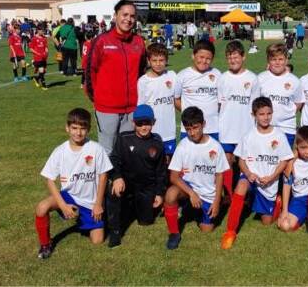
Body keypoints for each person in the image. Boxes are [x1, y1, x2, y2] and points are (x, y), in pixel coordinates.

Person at [34, 108, 112, 259]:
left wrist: (98, 204)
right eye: (74, 128)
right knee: (41, 207)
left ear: (88, 129)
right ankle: (45, 244)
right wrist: (63, 205)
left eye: (83, 128)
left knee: (97, 241)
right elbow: (49, 180)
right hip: (69, 197)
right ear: (67, 128)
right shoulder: (60, 151)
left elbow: (103, 176)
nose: (78, 133)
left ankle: (88, 220)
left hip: (90, 203)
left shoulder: (96, 149)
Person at [221, 97, 293, 249]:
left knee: (267, 222)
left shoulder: (279, 135)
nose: (265, 117)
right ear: (254, 115)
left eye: (268, 113)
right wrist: (248, 173)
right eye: (261, 114)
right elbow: (240, 160)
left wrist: (272, 177)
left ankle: (274, 203)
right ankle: (230, 231)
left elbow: (284, 161)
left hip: (269, 183)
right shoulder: (248, 136)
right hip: (251, 178)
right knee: (240, 187)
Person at [163, 106, 229, 250]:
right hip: (189, 189)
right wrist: (192, 193)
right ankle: (174, 233)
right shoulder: (183, 145)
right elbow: (173, 177)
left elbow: (219, 176)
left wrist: (217, 201)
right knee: (170, 195)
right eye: (188, 129)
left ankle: (199, 208)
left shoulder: (216, 147)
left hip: (208, 193)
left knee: (207, 229)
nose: (192, 133)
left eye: (195, 128)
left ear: (203, 124)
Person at [86, 0, 147, 156]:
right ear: (115, 16)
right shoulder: (101, 41)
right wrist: (98, 98)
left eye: (132, 16)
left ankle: (123, 181)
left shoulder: (139, 42)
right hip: (107, 108)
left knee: (128, 150)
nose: (129, 19)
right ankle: (105, 180)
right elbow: (89, 72)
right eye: (124, 14)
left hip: (132, 108)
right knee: (107, 151)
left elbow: (142, 73)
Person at [107, 105, 168, 248]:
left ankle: (136, 207)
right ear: (133, 123)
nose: (143, 127)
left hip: (146, 186)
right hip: (126, 183)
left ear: (154, 122)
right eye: (139, 123)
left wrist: (160, 194)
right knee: (112, 190)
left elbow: (161, 171)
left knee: (146, 221)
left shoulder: (157, 142)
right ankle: (115, 232)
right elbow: (114, 159)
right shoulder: (124, 138)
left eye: (147, 123)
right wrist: (117, 177)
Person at [216, 40, 258, 196]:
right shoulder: (222, 78)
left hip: (246, 129)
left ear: (243, 57)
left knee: (245, 162)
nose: (233, 60)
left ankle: (245, 194)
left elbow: (255, 108)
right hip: (226, 129)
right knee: (227, 161)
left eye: (235, 57)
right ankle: (228, 195)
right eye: (229, 57)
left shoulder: (252, 78)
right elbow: (220, 105)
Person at [276, 125, 308, 234]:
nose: (307, 152)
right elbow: (286, 185)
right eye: (303, 148)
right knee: (284, 225)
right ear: (297, 146)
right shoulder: (291, 162)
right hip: (300, 199)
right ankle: (303, 213)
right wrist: (284, 211)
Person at [136, 43, 178, 160]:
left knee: (168, 162)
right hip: (152, 132)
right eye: (154, 60)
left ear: (166, 60)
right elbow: (141, 107)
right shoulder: (143, 81)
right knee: (152, 161)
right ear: (148, 61)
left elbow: (178, 99)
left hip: (169, 131)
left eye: (161, 60)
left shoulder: (172, 76)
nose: (158, 64)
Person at [174, 40, 221, 144]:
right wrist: (190, 115)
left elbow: (220, 101)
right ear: (193, 56)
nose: (204, 61)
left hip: (213, 128)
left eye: (208, 59)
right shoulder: (182, 76)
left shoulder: (217, 74)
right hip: (189, 129)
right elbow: (176, 100)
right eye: (201, 57)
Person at [258, 43, 303, 146]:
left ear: (286, 60)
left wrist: (285, 114)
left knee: (284, 161)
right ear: (268, 61)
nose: (277, 63)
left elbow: (298, 103)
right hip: (264, 127)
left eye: (280, 59)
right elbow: (255, 104)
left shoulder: (295, 81)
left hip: (287, 129)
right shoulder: (260, 78)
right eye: (274, 59)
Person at [29, 24, 49, 90]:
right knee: (41, 70)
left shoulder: (44, 38)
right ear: (38, 30)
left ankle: (36, 78)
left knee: (43, 71)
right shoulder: (34, 39)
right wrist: (37, 53)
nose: (43, 32)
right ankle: (43, 85)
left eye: (44, 31)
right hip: (38, 58)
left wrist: (46, 52)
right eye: (42, 31)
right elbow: (31, 48)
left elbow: (46, 47)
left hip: (44, 57)